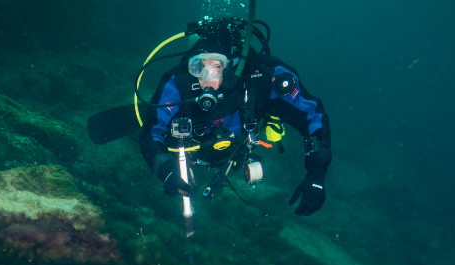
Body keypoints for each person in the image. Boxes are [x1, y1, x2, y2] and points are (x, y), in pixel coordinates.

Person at [138, 19, 332, 216]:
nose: (206, 76)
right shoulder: (178, 81)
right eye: (200, 66)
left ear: (234, 66)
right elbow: (150, 131)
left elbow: (312, 114)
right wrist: (167, 170)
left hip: (238, 151)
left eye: (217, 66)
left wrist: (316, 175)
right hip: (192, 150)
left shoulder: (266, 77)